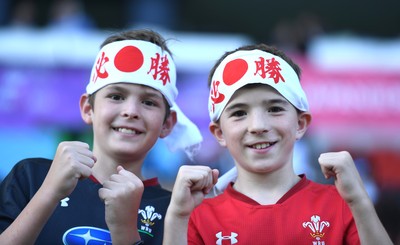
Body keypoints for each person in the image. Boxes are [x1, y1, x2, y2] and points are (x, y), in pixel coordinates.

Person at [163, 44, 393, 244]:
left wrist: (359, 201)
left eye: (274, 109)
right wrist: (176, 218)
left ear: (301, 123)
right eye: (240, 112)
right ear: (219, 132)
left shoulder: (341, 206)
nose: (258, 126)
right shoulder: (198, 216)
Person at [0, 29, 202, 244]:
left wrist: (125, 228)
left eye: (149, 102)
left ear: (167, 123)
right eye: (116, 96)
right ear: (88, 108)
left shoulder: (176, 210)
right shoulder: (31, 177)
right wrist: (49, 193)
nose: (130, 111)